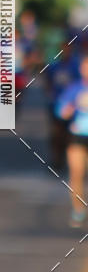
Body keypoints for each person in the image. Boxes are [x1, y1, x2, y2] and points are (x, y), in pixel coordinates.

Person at [56, 54, 88, 228]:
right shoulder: (75, 88)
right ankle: (78, 210)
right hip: (78, 135)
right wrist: (71, 107)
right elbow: (60, 110)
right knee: (77, 174)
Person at [44, 40, 79, 173]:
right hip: (56, 103)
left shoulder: (75, 67)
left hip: (71, 106)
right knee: (56, 132)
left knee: (69, 133)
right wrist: (50, 94)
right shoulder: (54, 66)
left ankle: (67, 157)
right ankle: (56, 157)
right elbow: (47, 81)